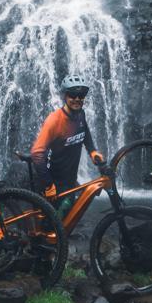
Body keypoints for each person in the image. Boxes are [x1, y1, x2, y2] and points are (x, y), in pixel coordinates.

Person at [30, 74, 104, 207]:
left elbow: (84, 131)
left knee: (69, 215)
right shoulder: (54, 120)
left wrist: (92, 151)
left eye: (81, 95)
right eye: (72, 95)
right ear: (65, 96)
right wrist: (48, 185)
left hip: (70, 179)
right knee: (55, 218)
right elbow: (36, 153)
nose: (77, 99)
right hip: (54, 181)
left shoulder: (80, 114)